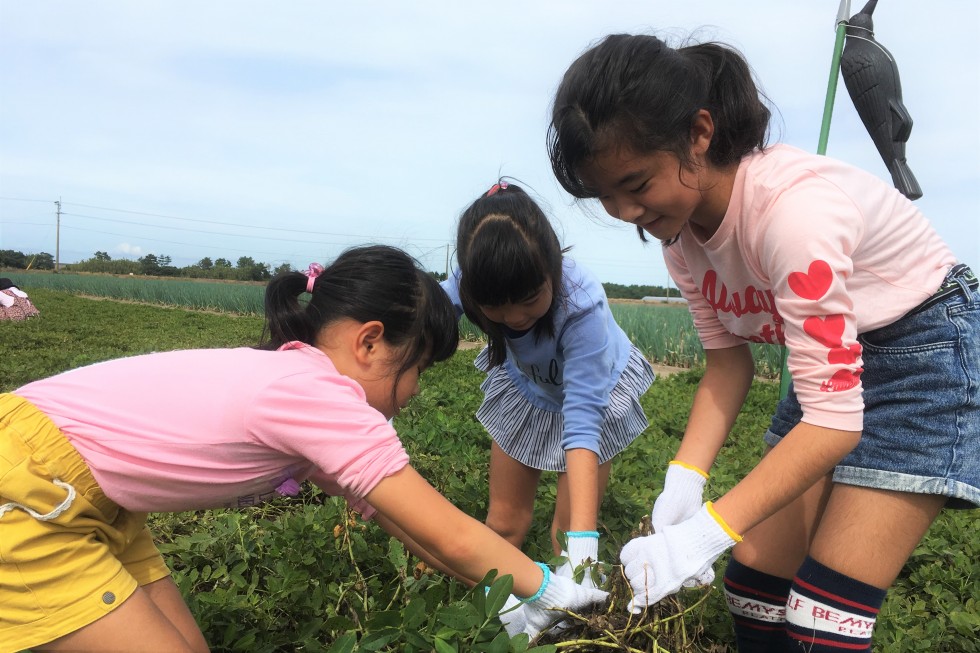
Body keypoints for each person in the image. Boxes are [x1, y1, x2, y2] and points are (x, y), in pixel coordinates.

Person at [547, 33, 979, 652]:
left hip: (922, 351)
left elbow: (833, 423)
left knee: (822, 622)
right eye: (605, 196)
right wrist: (685, 481)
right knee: (751, 588)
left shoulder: (791, 216)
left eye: (636, 184)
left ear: (698, 134)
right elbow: (727, 366)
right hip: (834, 367)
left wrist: (700, 538)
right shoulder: (680, 241)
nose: (624, 212)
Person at [0, 245, 606, 653]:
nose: (415, 392)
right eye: (417, 367)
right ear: (370, 342)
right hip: (29, 499)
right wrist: (551, 587)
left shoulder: (295, 381)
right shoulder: (318, 396)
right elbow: (449, 532)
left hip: (90, 498)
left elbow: (412, 528)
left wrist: (502, 595)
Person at [441, 181, 655, 590]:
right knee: (504, 523)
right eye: (495, 308)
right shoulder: (476, 279)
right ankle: (489, 617)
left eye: (529, 299)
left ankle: (568, 606)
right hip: (530, 394)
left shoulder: (581, 307)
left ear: (552, 266)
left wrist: (584, 543)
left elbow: (582, 421)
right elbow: (426, 316)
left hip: (592, 400)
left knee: (567, 538)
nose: (515, 317)